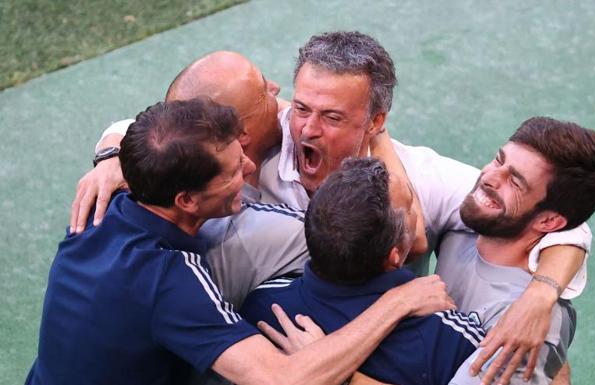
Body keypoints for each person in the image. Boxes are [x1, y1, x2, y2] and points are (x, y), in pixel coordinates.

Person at [71, 34, 591, 383]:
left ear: (375, 120)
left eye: (333, 116)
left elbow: (565, 224)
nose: (307, 129)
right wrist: (114, 153)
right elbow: (163, 125)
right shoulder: (267, 136)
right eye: (300, 108)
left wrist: (542, 297)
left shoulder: (423, 180)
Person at [26, 98, 455, 385]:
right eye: (232, 172)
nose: (250, 168)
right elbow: (285, 379)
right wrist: (398, 302)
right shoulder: (169, 279)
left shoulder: (107, 204)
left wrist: (109, 155)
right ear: (187, 200)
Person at [74, 51, 309, 309]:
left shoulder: (151, 167)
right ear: (240, 133)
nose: (277, 90)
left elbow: (136, 127)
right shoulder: (271, 232)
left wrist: (111, 153)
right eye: (264, 92)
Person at [241, 157, 485, 385]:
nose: (416, 212)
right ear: (395, 256)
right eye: (411, 207)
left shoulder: (261, 306)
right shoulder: (448, 340)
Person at [433, 117, 595, 384]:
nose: (490, 178)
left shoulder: (534, 330)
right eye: (499, 159)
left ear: (548, 222)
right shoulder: (468, 222)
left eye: (516, 183)